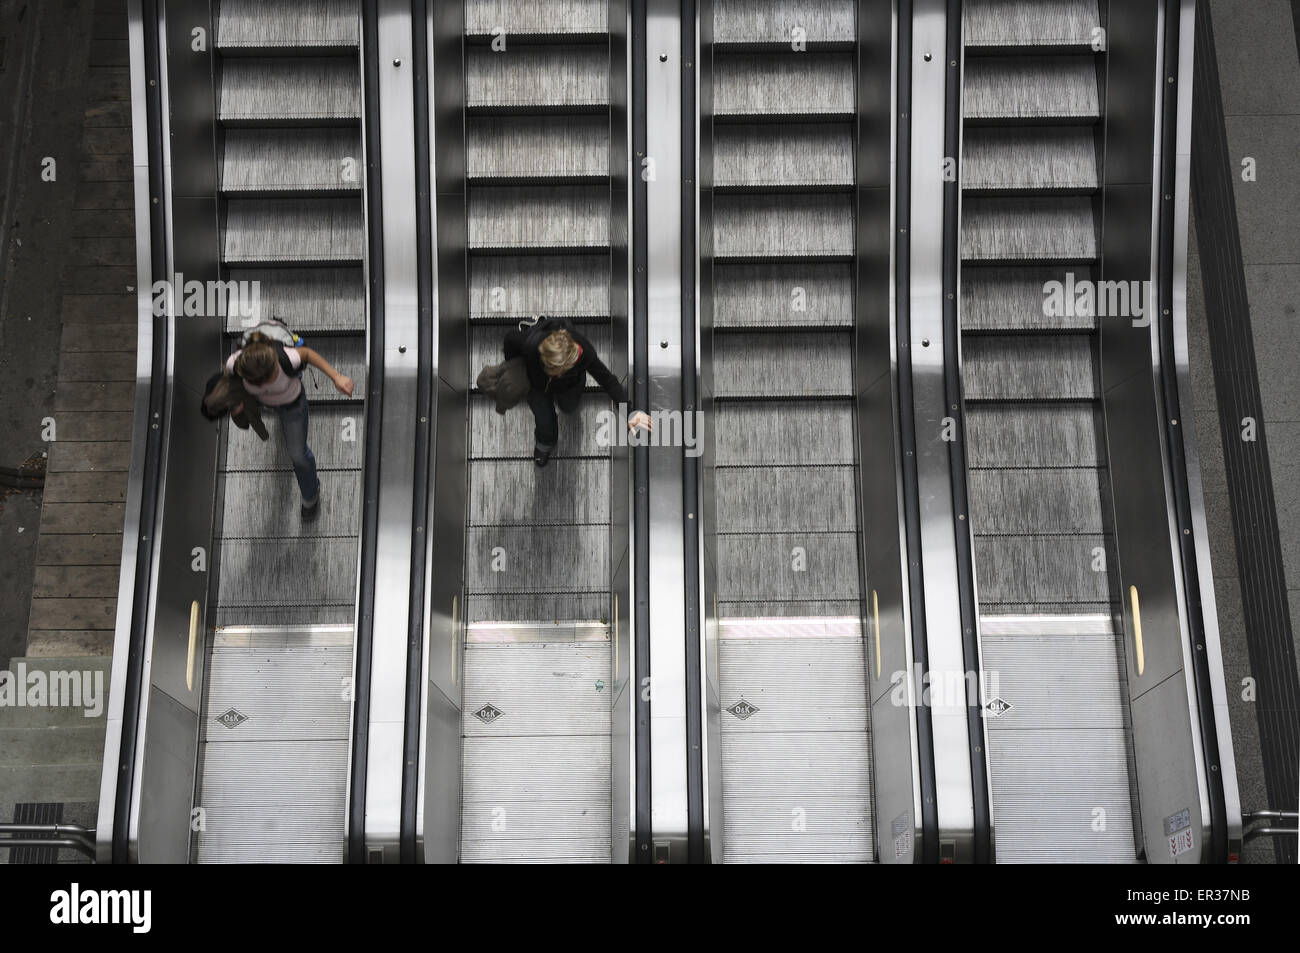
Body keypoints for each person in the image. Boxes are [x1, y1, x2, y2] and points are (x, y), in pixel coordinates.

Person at [226, 332, 354, 517]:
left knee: (298, 455)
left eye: (269, 379)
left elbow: (307, 354)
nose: (264, 385)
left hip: (292, 405)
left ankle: (310, 494)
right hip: (263, 403)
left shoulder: (287, 359)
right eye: (257, 383)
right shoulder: (235, 364)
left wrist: (336, 377)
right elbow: (228, 378)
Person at [503, 316, 651, 467]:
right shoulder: (531, 345)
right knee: (544, 419)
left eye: (563, 370)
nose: (558, 374)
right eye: (554, 370)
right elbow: (509, 339)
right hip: (536, 384)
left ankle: (544, 324)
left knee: (569, 407)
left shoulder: (585, 352)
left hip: (571, 384)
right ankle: (545, 443)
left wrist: (629, 412)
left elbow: (607, 379)